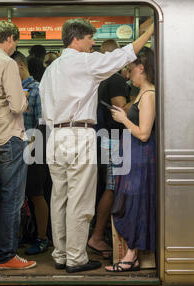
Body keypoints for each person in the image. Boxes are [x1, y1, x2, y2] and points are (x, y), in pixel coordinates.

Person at [39, 18, 154, 273]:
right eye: (91, 39)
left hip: (53, 137)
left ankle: (60, 254)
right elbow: (126, 55)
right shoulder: (85, 62)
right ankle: (76, 258)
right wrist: (150, 31)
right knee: (80, 200)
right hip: (79, 135)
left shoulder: (51, 69)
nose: (94, 44)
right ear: (77, 38)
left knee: (59, 199)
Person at [0, 21, 36, 270]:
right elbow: (16, 106)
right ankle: (6, 256)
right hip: (9, 138)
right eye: (16, 42)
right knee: (12, 199)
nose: (16, 47)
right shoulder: (7, 63)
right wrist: (23, 97)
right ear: (11, 38)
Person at [105, 47, 156, 272]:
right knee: (134, 204)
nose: (128, 73)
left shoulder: (149, 95)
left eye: (130, 68)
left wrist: (124, 119)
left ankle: (131, 255)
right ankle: (132, 254)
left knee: (136, 205)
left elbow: (144, 133)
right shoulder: (143, 94)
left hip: (140, 160)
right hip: (135, 158)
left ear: (141, 68)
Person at [88, 39, 128, 260]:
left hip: (101, 137)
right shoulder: (115, 79)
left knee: (106, 186)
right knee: (112, 188)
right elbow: (121, 109)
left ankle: (99, 232)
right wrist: (143, 100)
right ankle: (97, 236)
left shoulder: (99, 79)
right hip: (115, 138)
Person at [11, 50, 50, 255]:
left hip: (33, 148)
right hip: (16, 149)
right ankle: (24, 233)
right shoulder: (12, 90)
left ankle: (42, 237)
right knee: (20, 195)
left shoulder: (37, 90)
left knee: (36, 194)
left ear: (20, 66)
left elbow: (41, 122)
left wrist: (32, 151)